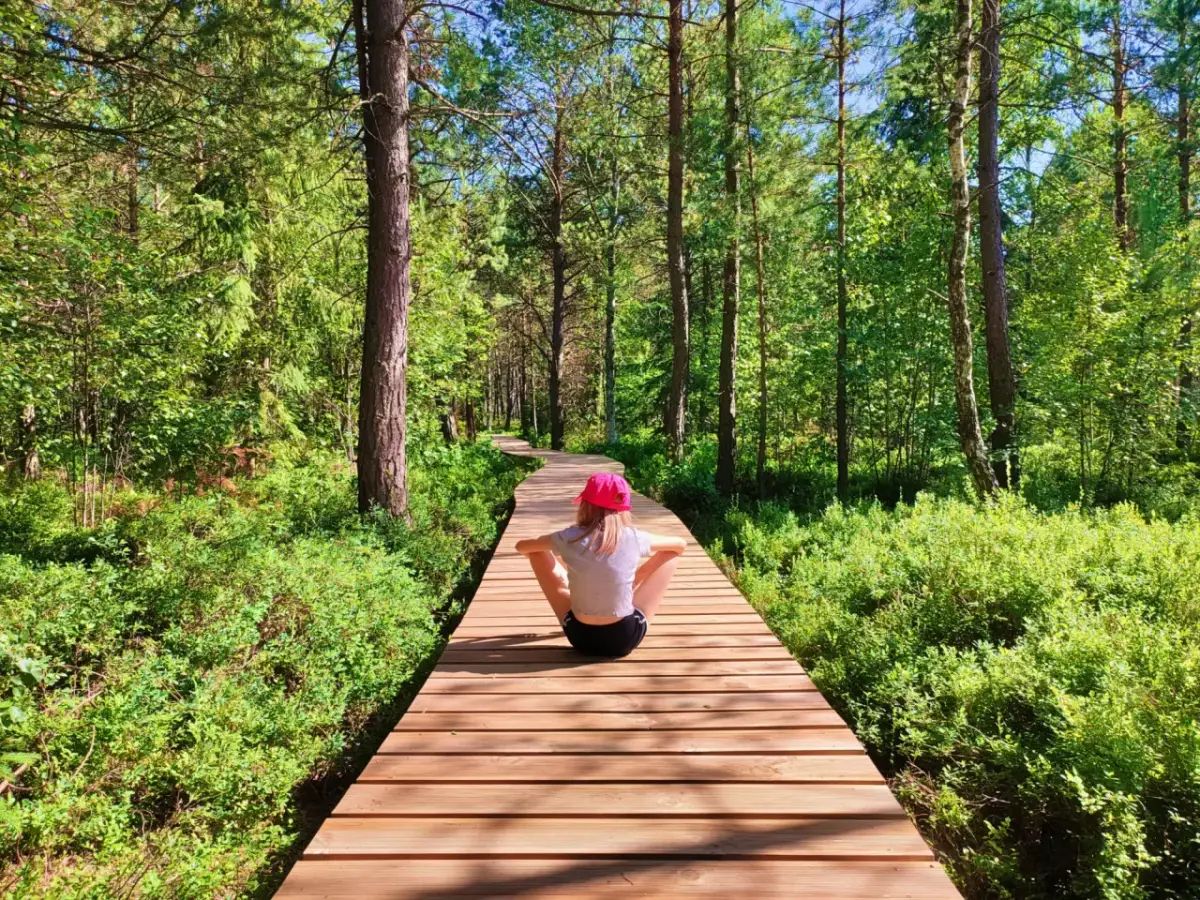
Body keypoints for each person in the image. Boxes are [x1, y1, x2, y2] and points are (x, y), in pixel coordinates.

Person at [515, 472, 686, 658]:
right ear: (623, 509)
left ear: (585, 505)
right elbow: (680, 545)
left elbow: (521, 546)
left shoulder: (568, 537)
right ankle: (631, 582)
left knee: (537, 552)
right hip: (624, 638)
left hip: (580, 637)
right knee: (672, 554)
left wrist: (560, 560)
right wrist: (636, 576)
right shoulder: (634, 537)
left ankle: (578, 579)